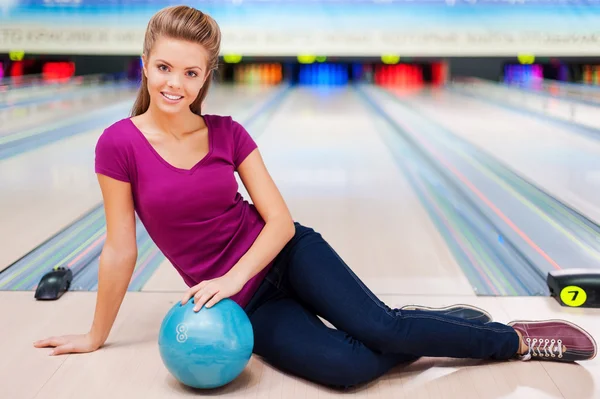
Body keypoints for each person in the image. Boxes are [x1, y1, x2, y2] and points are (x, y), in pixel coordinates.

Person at [34, 5, 597, 390]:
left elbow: (278, 222)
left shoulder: (229, 133)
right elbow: (119, 251)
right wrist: (94, 336)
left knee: (383, 330)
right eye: (163, 68)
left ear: (205, 76)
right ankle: (432, 322)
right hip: (248, 304)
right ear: (145, 63)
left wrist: (231, 276)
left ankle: (514, 341)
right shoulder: (118, 146)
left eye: (190, 72)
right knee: (348, 368)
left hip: (289, 255)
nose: (174, 83)